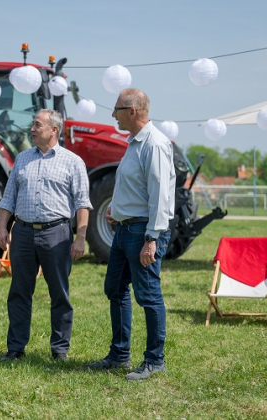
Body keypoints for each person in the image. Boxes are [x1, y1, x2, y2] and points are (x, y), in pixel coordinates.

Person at [85, 88, 176, 381]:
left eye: (116, 109)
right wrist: (116, 208)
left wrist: (152, 239)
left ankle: (154, 360)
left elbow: (161, 196)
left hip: (143, 231)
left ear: (133, 111)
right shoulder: (134, 143)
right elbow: (136, 186)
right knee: (114, 288)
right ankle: (119, 355)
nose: (113, 115)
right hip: (124, 229)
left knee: (148, 296)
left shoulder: (155, 144)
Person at [0, 109, 92, 361]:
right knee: (19, 291)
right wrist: (2, 226)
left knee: (59, 292)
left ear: (54, 131)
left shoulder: (73, 161)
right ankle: (15, 348)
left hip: (57, 234)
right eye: (33, 124)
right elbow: (9, 197)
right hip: (23, 233)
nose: (32, 129)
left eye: (38, 125)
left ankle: (60, 349)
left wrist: (80, 238)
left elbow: (82, 203)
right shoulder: (22, 159)